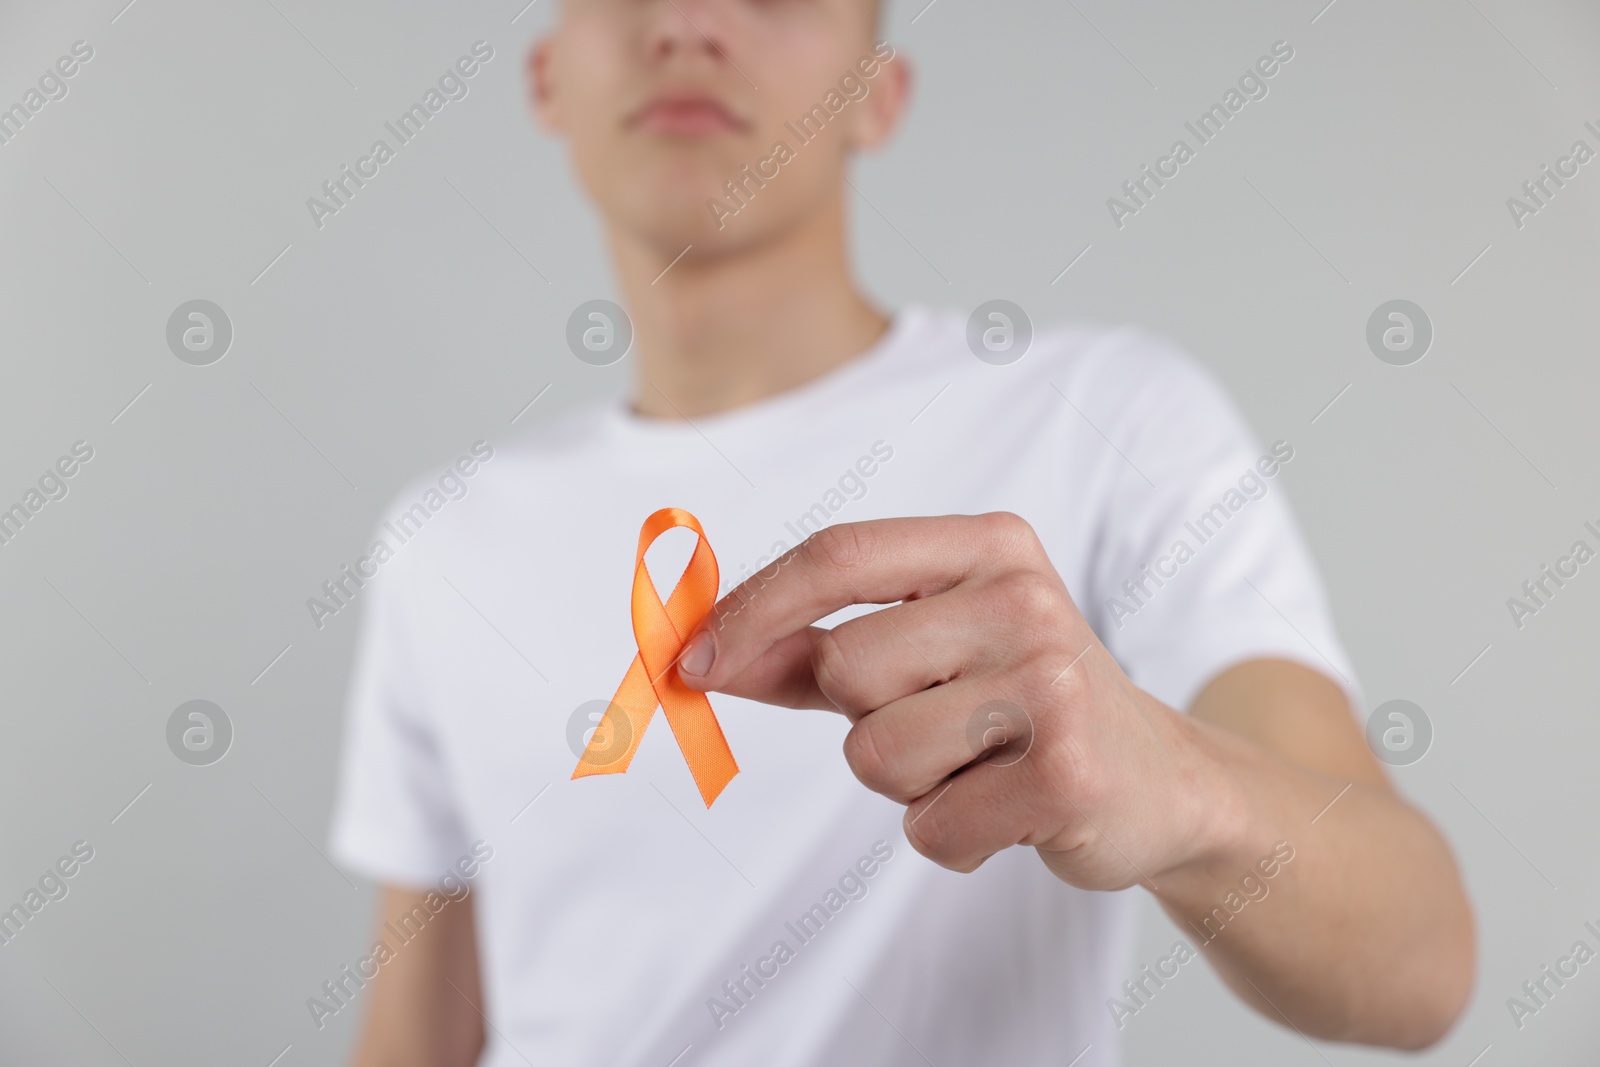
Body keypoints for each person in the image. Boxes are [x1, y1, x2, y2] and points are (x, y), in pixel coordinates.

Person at [328, 1, 1474, 1063]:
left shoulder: (1106, 419)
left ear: (876, 95)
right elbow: (416, 1035)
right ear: (545, 80)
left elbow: (1419, 960)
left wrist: (1178, 787)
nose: (687, 22)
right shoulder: (441, 539)